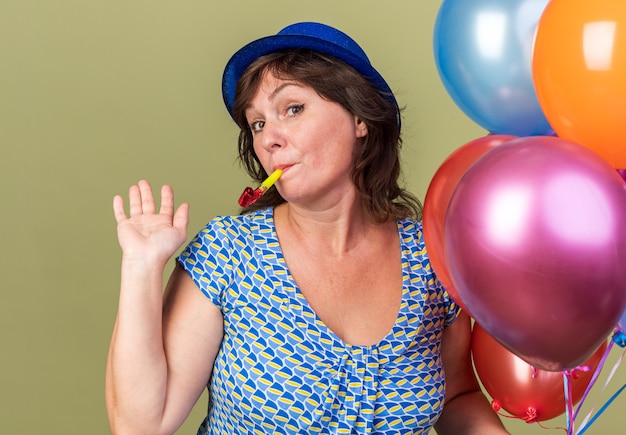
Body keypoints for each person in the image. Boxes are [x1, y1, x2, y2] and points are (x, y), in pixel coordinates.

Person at [105, 22, 510, 435]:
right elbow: (141, 425)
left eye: (292, 109)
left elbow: (457, 396)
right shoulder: (228, 254)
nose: (268, 140)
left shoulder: (430, 259)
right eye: (257, 123)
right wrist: (141, 266)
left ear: (360, 118)